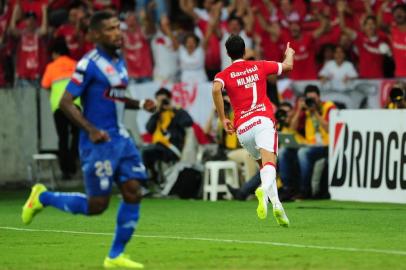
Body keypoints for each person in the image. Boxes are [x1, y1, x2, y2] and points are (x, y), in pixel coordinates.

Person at [21, 11, 156, 269]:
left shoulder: (118, 61)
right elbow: (65, 102)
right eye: (110, 29)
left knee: (133, 191)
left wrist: (139, 103)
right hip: (98, 143)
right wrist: (91, 129)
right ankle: (42, 197)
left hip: (120, 139)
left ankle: (115, 256)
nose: (117, 33)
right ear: (95, 34)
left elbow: (113, 95)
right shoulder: (88, 64)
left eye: (118, 27)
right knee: (97, 205)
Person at [212, 34, 294, 226]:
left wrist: (223, 117)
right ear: (244, 51)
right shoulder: (260, 65)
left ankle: (277, 206)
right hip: (262, 120)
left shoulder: (223, 74)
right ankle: (263, 190)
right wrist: (289, 53)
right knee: (270, 163)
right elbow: (288, 66)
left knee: (263, 167)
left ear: (227, 53)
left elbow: (216, 90)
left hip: (243, 129)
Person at [41, 38, 80, 180]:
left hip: (59, 106)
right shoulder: (76, 64)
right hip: (75, 104)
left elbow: (45, 85)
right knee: (77, 135)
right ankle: (74, 163)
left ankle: (65, 171)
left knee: (63, 138)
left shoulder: (51, 67)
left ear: (56, 53)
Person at [290, 85, 336, 198]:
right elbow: (292, 127)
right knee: (284, 152)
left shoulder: (329, 107)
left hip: (327, 146)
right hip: (310, 145)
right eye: (309, 99)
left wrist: (315, 112)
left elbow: (329, 129)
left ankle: (305, 190)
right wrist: (299, 110)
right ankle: (288, 189)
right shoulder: (304, 110)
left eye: (314, 99)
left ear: (319, 97)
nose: (312, 102)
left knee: (303, 153)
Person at [142, 88, 193, 183]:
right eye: (160, 101)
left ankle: (153, 177)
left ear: (170, 99)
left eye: (164, 100)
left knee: (147, 152)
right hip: (158, 147)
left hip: (172, 148)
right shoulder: (157, 115)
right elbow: (149, 129)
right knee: (144, 151)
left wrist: (174, 108)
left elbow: (188, 122)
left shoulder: (176, 112)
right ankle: (152, 175)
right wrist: (157, 111)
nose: (163, 103)